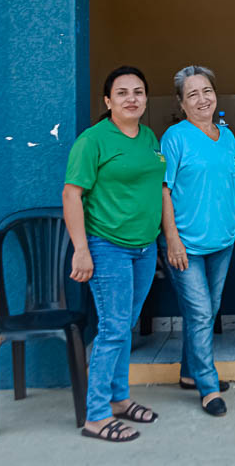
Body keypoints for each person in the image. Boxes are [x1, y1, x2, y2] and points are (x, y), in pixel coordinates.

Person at [63, 66, 166, 442]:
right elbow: (71, 194)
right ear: (108, 101)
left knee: (124, 327)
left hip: (143, 247)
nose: (132, 99)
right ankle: (96, 415)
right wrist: (81, 250)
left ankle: (120, 399)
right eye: (122, 93)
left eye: (138, 91)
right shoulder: (93, 141)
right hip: (108, 246)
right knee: (112, 329)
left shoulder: (148, 136)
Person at [160, 66, 235, 416]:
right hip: (186, 245)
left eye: (206, 91)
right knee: (200, 312)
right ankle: (208, 387)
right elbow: (163, 190)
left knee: (206, 312)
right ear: (181, 102)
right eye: (192, 94)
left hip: (223, 240)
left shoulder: (227, 136)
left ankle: (190, 372)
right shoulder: (174, 137)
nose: (202, 99)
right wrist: (172, 239)